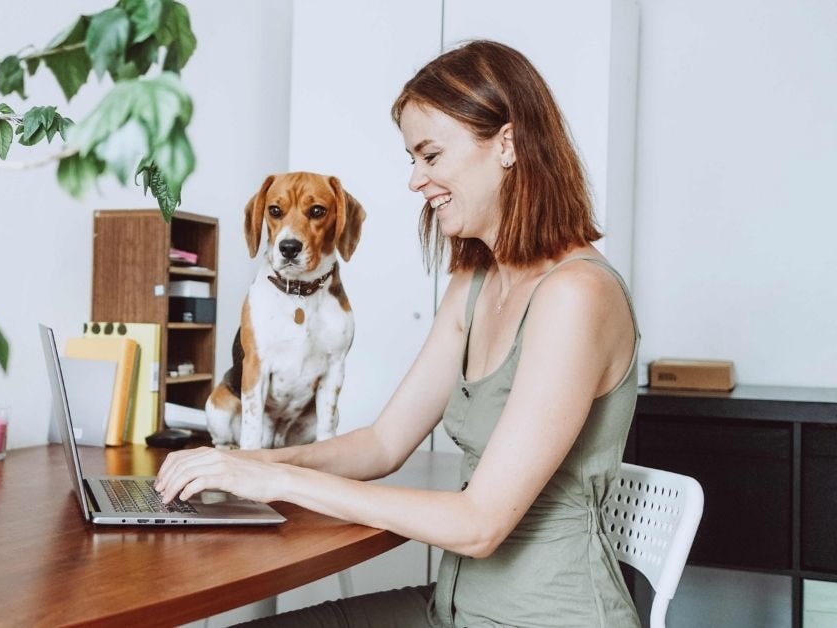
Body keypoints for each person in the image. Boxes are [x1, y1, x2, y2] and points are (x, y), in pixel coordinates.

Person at [155, 39, 642, 628]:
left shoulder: (576, 296)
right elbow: (383, 444)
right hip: (451, 608)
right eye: (412, 158)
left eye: (430, 155)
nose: (415, 179)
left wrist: (274, 477)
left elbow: (478, 524)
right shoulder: (475, 280)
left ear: (508, 144)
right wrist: (236, 467)